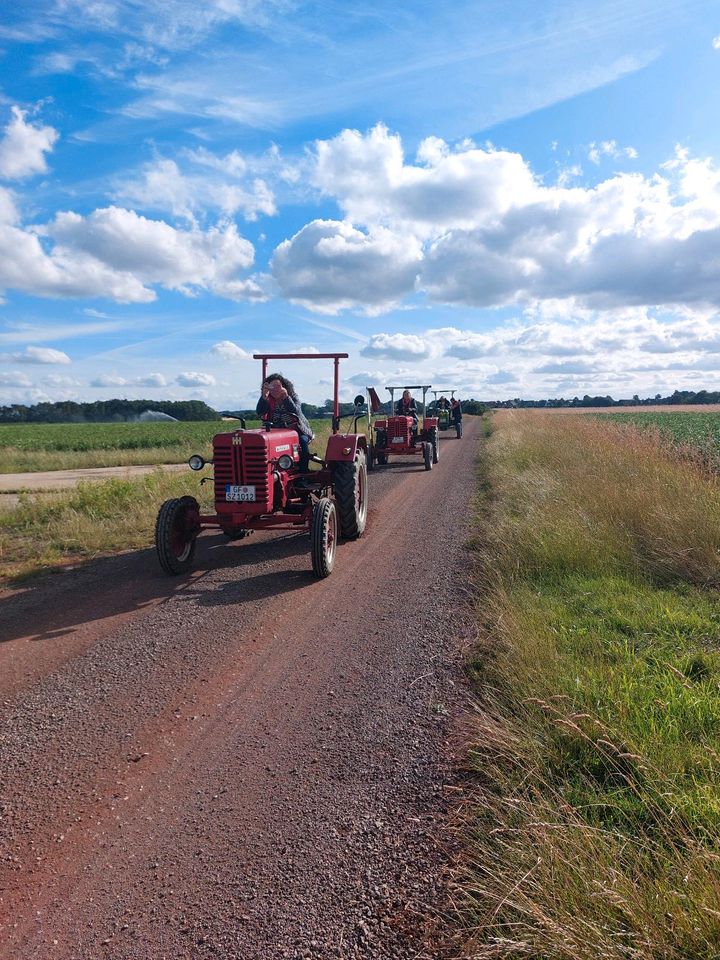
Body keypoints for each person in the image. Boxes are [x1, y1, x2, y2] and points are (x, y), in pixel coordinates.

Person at [256, 372, 314, 472]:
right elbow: (260, 412)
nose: (275, 390)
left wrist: (286, 397)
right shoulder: (267, 399)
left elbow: (296, 411)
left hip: (296, 430)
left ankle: (303, 473)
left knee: (303, 443)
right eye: (272, 387)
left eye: (278, 387)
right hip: (275, 431)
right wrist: (264, 397)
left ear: (284, 386)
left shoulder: (293, 397)